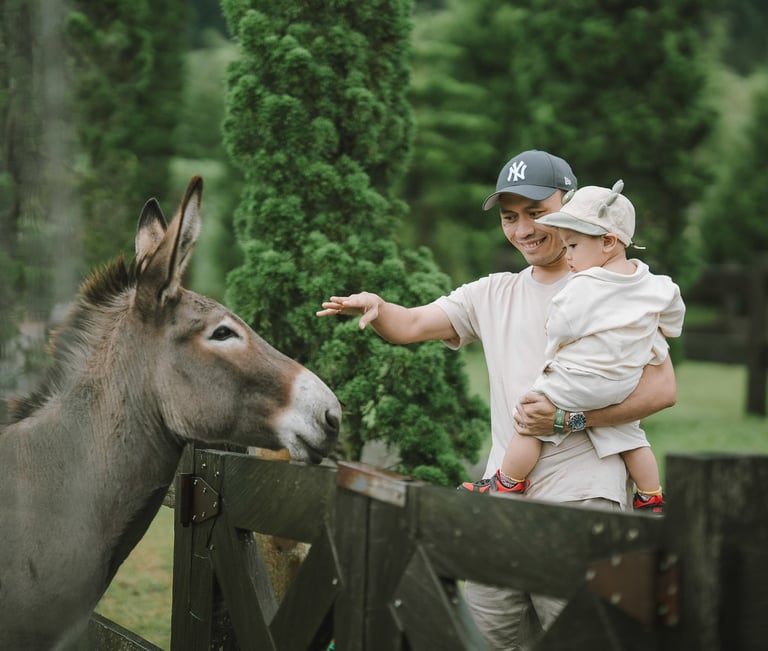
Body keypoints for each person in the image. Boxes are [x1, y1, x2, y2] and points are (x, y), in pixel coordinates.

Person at [317, 150, 677, 650]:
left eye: (536, 212)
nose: (524, 229)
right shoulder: (492, 293)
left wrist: (571, 418)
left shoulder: (615, 289)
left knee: (576, 640)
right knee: (484, 642)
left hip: (582, 495)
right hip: (501, 500)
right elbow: (412, 325)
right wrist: (378, 308)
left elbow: (663, 390)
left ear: (570, 207)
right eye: (511, 217)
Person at [458, 180, 685, 515]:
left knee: (531, 423)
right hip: (621, 382)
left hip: (580, 377)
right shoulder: (653, 285)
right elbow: (673, 318)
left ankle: (506, 481)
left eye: (574, 246)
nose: (570, 255)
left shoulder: (585, 285)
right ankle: (651, 495)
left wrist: (555, 340)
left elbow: (561, 325)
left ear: (608, 241)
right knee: (630, 436)